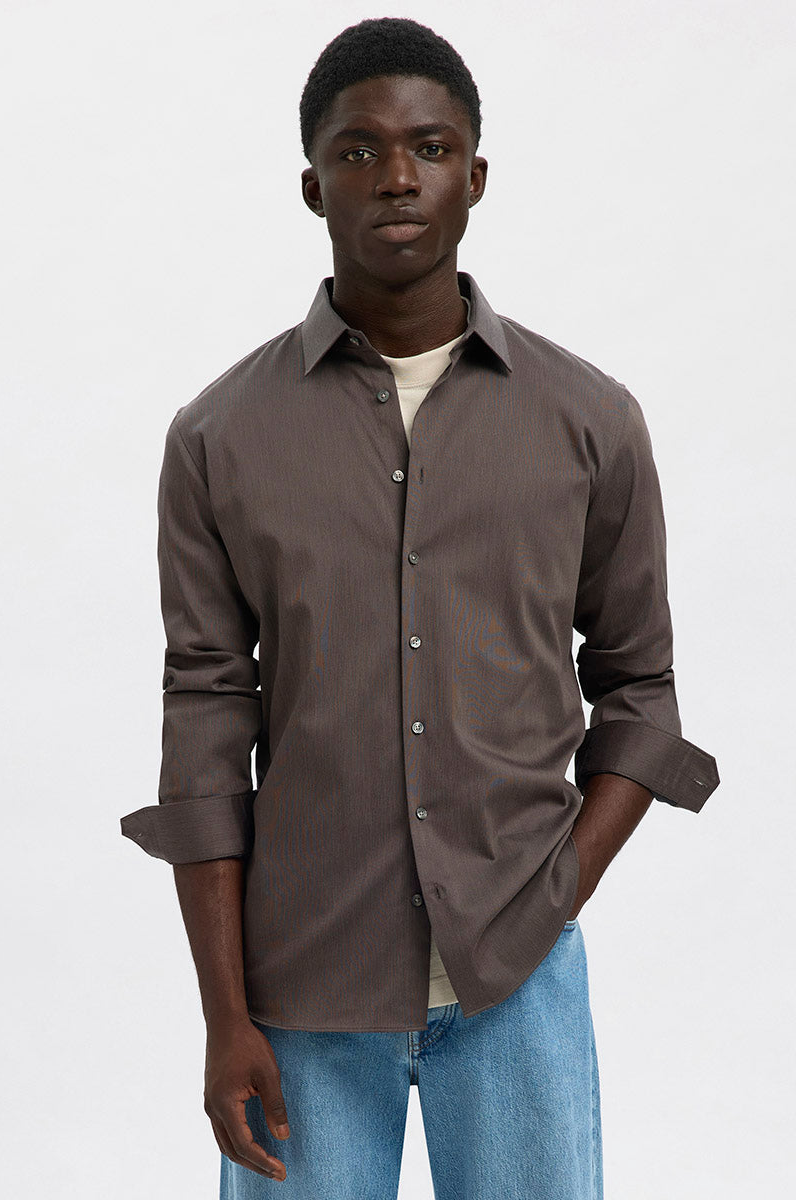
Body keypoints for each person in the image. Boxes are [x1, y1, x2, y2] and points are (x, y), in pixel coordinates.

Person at [120, 16, 720, 1198]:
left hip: (517, 987)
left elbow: (638, 689)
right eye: (358, 151)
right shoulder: (218, 437)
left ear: (474, 176)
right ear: (311, 185)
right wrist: (223, 1016)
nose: (396, 177)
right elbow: (205, 721)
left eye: (429, 148)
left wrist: (553, 894)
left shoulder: (589, 421)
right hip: (297, 992)